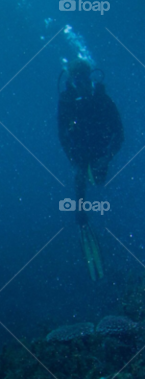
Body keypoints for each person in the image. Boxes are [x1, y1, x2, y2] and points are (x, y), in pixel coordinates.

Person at [57, 57, 124, 281]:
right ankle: (81, 217)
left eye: (84, 78)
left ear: (90, 78)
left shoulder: (102, 99)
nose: (81, 83)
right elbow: (62, 135)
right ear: (72, 81)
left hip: (99, 151)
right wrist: (74, 160)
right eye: (77, 79)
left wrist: (106, 158)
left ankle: (82, 213)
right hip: (81, 153)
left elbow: (119, 133)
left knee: (98, 178)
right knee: (81, 179)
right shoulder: (67, 101)